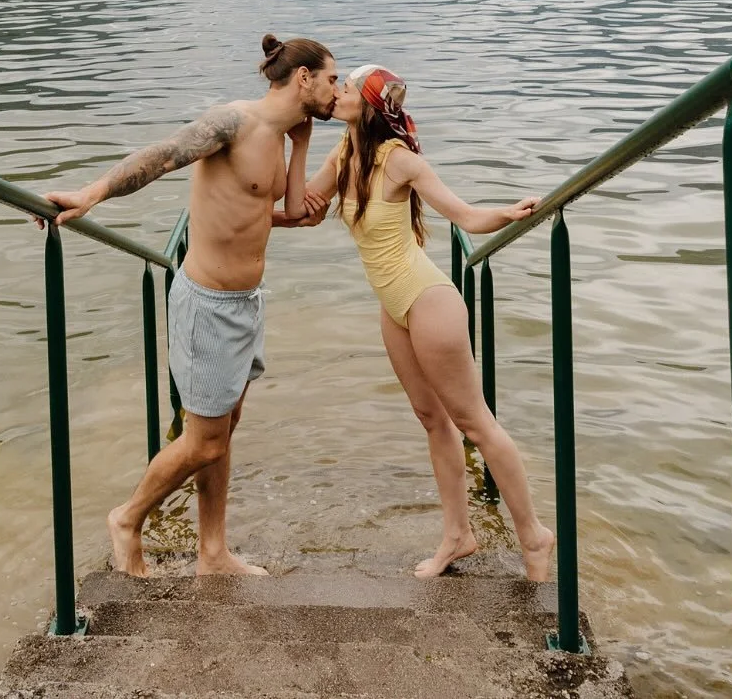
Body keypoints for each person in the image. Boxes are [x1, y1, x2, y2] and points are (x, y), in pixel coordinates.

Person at [42, 34, 337, 577]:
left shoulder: (283, 136)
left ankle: (213, 551)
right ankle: (127, 520)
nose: (335, 90)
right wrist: (92, 193)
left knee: (224, 432)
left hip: (247, 303)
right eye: (332, 79)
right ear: (304, 79)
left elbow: (293, 210)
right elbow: (163, 155)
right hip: (206, 305)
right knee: (203, 443)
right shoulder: (233, 121)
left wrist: (303, 145)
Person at [293, 64, 555, 581]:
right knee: (432, 419)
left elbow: (466, 217)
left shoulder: (401, 162)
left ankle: (534, 536)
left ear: (367, 105)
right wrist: (294, 141)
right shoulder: (342, 155)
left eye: (346, 87)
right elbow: (299, 206)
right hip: (392, 308)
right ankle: (458, 536)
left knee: (474, 423)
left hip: (427, 299)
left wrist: (509, 211)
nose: (336, 90)